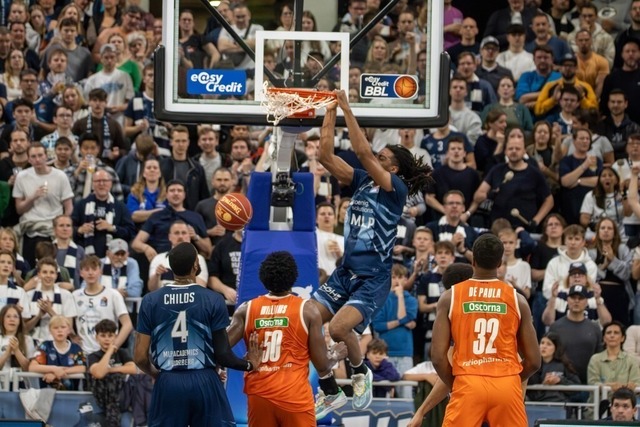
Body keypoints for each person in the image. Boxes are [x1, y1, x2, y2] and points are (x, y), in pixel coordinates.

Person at [312, 90, 432, 410]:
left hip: (373, 277)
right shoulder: (363, 181)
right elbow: (325, 156)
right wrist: (329, 111)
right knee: (307, 319)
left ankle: (360, 371)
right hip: (345, 271)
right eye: (378, 155)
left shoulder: (396, 189)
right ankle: (330, 388)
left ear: (395, 168)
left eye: (384, 157)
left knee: (338, 328)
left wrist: (346, 107)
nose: (377, 158)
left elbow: (363, 152)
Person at [134, 242, 262, 427]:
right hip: (204, 379)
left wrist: (157, 374)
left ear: (171, 268)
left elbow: (139, 357)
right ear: (196, 265)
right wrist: (249, 364)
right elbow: (223, 354)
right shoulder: (213, 298)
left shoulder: (150, 301)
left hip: (168, 381)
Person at [431, 233, 540, 426]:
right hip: (506, 383)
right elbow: (534, 361)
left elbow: (438, 358)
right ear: (499, 263)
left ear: (473, 260)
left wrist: (455, 384)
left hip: (468, 381)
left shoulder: (450, 297)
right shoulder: (518, 300)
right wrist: (513, 380)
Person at [226, 250, 348, 423]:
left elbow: (219, 349)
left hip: (259, 395)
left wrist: (246, 364)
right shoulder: (308, 310)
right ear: (294, 276)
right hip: (294, 396)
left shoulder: (246, 309)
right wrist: (336, 354)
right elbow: (322, 365)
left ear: (263, 277)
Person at [88, 319, 137, 427]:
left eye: (110, 336)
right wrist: (110, 351)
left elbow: (133, 369)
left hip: (123, 395)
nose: (107, 339)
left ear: (115, 337)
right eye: (103, 335)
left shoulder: (122, 353)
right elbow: (99, 373)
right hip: (104, 396)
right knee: (112, 380)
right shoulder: (93, 356)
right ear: (96, 337)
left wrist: (110, 370)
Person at [28, 315, 86, 390]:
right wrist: (54, 369)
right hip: (47, 393)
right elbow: (32, 367)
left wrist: (58, 373)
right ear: (50, 330)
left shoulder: (76, 348)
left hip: (71, 394)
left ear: (69, 330)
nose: (59, 330)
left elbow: (82, 367)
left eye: (63, 327)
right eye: (55, 328)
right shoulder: (45, 346)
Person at [527, 332, 581, 403]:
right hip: (538, 404)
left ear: (556, 347)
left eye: (549, 344)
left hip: (560, 403)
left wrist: (560, 380)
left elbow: (577, 388)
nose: (544, 346)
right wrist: (543, 385)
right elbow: (529, 393)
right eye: (542, 343)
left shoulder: (564, 365)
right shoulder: (533, 365)